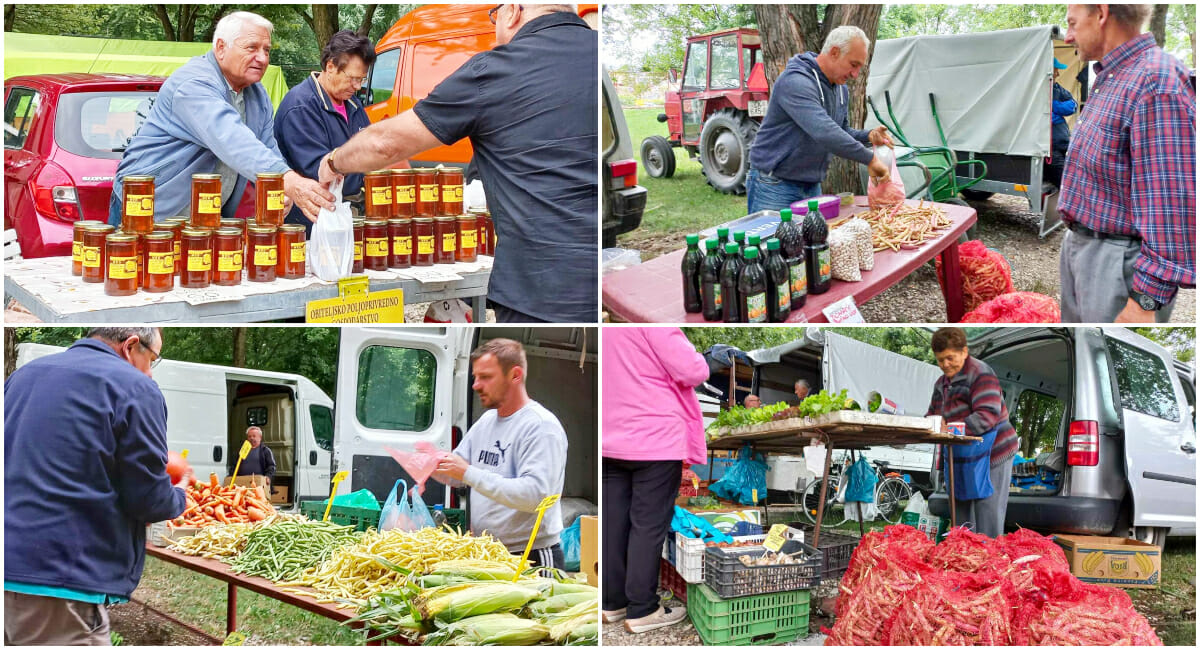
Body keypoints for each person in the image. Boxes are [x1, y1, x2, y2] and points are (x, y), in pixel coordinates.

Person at [316, 4, 598, 323]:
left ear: (513, 12)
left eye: (494, 17)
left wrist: (334, 161)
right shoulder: (598, 51)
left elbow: (384, 143)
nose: (494, 29)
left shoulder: (494, 70)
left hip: (540, 290)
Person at [4, 328, 189, 645]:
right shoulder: (137, 388)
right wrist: (180, 494)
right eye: (153, 359)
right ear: (131, 346)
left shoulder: (22, 377)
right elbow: (148, 499)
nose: (150, 371)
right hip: (62, 578)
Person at [109, 11, 334, 226]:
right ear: (220, 48)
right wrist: (291, 183)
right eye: (252, 48)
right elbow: (233, 141)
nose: (262, 58)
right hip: (149, 210)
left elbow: (266, 148)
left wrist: (277, 189)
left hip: (204, 219)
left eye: (267, 50)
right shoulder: (193, 85)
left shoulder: (258, 94)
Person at [1059, 4, 1195, 323]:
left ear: (1102, 14)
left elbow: (1172, 207)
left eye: (1073, 24)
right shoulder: (1114, 75)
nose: (1068, 36)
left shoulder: (1156, 81)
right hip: (1086, 248)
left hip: (1118, 264)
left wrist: (1144, 302)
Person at [602, 327, 708, 634]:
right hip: (655, 438)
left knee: (614, 524)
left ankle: (612, 603)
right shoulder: (651, 324)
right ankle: (643, 609)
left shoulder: (607, 332)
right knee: (647, 526)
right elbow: (693, 370)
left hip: (610, 439)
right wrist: (707, 358)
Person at [431, 339, 567, 569]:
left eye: (485, 377)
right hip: (488, 554)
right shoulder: (487, 421)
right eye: (475, 377)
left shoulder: (541, 427)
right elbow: (456, 475)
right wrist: (429, 464)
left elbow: (536, 496)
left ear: (515, 375)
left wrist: (467, 472)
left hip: (530, 556)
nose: (476, 385)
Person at [746, 25, 892, 214]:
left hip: (811, 184)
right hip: (774, 183)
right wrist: (870, 159)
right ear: (834, 52)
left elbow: (841, 130)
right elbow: (823, 131)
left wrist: (868, 136)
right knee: (772, 243)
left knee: (811, 242)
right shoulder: (796, 81)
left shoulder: (841, 89)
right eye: (853, 65)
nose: (855, 75)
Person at [274, 30, 377, 237]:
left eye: (362, 80)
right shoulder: (300, 106)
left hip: (343, 217)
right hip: (310, 225)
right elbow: (320, 172)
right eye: (353, 78)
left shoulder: (353, 104)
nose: (357, 87)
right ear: (330, 66)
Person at [925, 328, 1016, 538]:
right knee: (960, 512)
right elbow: (933, 416)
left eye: (950, 358)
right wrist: (923, 426)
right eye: (940, 360)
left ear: (964, 352)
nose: (945, 365)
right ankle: (966, 557)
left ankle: (991, 560)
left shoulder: (981, 373)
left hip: (994, 451)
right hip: (962, 455)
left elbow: (987, 416)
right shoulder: (941, 384)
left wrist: (949, 429)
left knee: (987, 511)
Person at [1045, 58, 1078, 189]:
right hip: (1052, 148)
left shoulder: (1057, 87)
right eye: (1056, 70)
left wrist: (1054, 106)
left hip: (1063, 142)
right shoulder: (1038, 89)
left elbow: (1073, 105)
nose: (1058, 74)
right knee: (1066, 183)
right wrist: (1056, 111)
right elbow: (1043, 114)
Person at [234, 426, 276, 490]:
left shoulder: (265, 451)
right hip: (242, 484)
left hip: (259, 485)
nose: (251, 438)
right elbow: (234, 466)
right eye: (249, 436)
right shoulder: (242, 450)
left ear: (260, 437)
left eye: (254, 436)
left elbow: (271, 466)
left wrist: (268, 477)